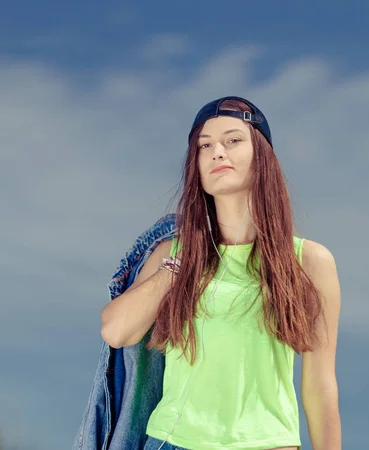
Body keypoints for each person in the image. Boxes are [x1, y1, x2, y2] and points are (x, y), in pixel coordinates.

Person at [99, 96, 342, 450]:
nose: (217, 153)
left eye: (233, 141)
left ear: (262, 156)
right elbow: (116, 331)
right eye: (205, 145)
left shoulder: (308, 261)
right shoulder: (174, 254)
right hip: (173, 442)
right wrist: (181, 265)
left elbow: (320, 387)